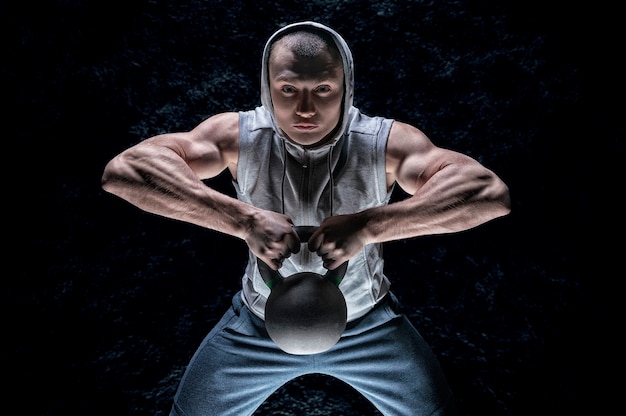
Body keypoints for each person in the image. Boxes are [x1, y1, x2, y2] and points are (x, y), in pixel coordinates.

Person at [102, 21, 510, 416]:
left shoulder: (385, 142)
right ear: (268, 87)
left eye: (323, 89)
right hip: (255, 325)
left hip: (369, 324)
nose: (306, 109)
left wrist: (369, 225)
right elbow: (127, 171)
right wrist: (242, 220)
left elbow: (486, 193)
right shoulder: (236, 136)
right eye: (288, 89)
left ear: (345, 85)